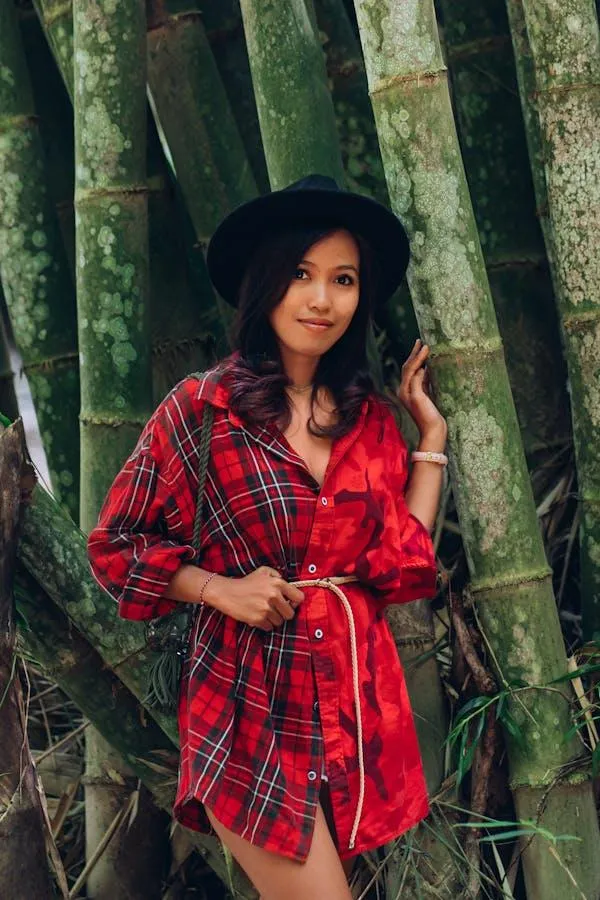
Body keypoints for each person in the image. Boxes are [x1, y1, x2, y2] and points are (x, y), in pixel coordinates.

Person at [88, 174, 447, 900]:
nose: (322, 299)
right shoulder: (203, 408)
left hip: (352, 712)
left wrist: (430, 439)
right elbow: (114, 545)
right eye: (301, 274)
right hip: (246, 707)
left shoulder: (369, 419)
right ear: (265, 283)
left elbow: (402, 562)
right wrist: (219, 590)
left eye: (343, 280)